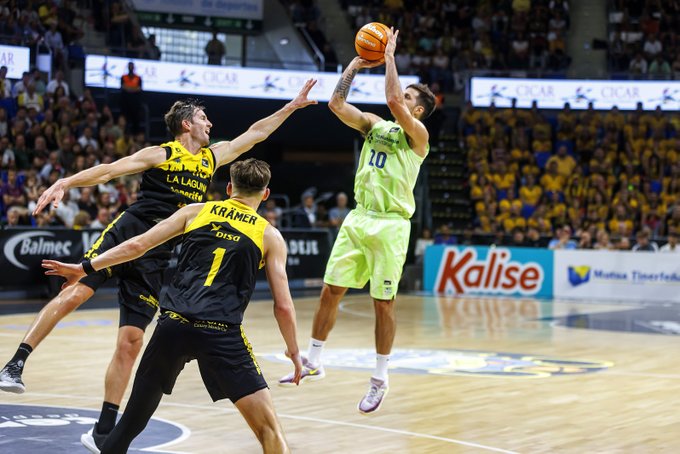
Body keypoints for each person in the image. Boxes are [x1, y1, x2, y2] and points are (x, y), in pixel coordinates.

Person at [0, 80, 317, 443]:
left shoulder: (212, 157)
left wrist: (292, 106)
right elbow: (108, 170)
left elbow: (256, 133)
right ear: (187, 124)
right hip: (129, 233)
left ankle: (103, 429)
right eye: (203, 118)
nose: (210, 124)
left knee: (132, 341)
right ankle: (16, 363)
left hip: (158, 252)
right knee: (76, 293)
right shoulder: (161, 153)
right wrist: (65, 182)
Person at [43, 158, 302, 453]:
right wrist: (293, 352)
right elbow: (283, 305)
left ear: (229, 188)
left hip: (172, 327)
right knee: (269, 431)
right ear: (265, 194)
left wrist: (86, 267)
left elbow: (136, 245)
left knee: (129, 424)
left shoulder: (196, 211)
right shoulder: (269, 235)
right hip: (221, 334)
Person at [279, 28, 435, 415]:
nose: (404, 98)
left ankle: (380, 378)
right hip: (359, 218)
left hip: (391, 225)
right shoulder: (374, 126)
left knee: (383, 303)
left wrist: (391, 56)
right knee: (331, 290)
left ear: (416, 110)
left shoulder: (418, 135)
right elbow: (336, 104)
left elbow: (394, 99)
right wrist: (354, 65)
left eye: (410, 98)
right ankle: (314, 359)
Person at [120, 62, 142, 135]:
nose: (131, 68)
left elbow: (139, 88)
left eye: (132, 66)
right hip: (125, 103)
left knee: (135, 121)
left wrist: (129, 89)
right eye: (129, 66)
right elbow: (123, 87)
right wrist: (133, 88)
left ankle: (135, 135)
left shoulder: (138, 78)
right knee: (125, 121)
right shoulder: (123, 77)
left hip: (135, 103)